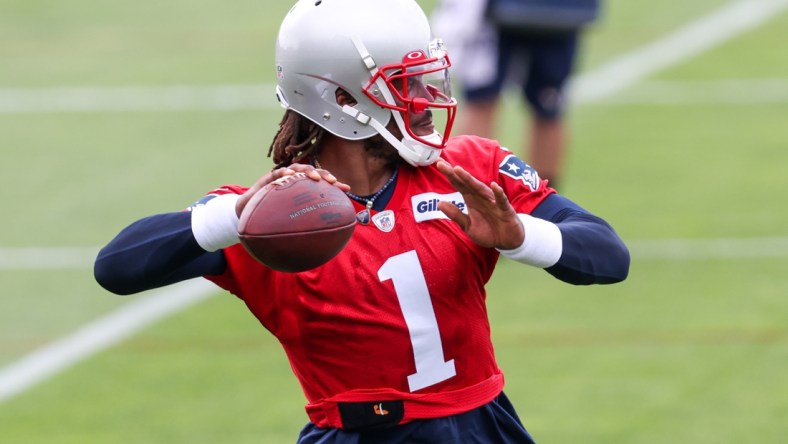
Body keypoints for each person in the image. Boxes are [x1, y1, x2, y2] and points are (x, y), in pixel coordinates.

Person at [94, 0, 628, 442]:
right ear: (343, 99)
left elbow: (608, 255)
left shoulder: (468, 171)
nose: (431, 99)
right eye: (406, 84)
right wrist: (232, 218)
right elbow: (116, 267)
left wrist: (520, 237)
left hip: (481, 427)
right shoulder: (273, 214)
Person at [431, 0, 599, 189]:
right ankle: (469, 195)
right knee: (545, 106)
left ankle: (537, 202)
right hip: (551, 12)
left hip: (542, 13)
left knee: (545, 107)